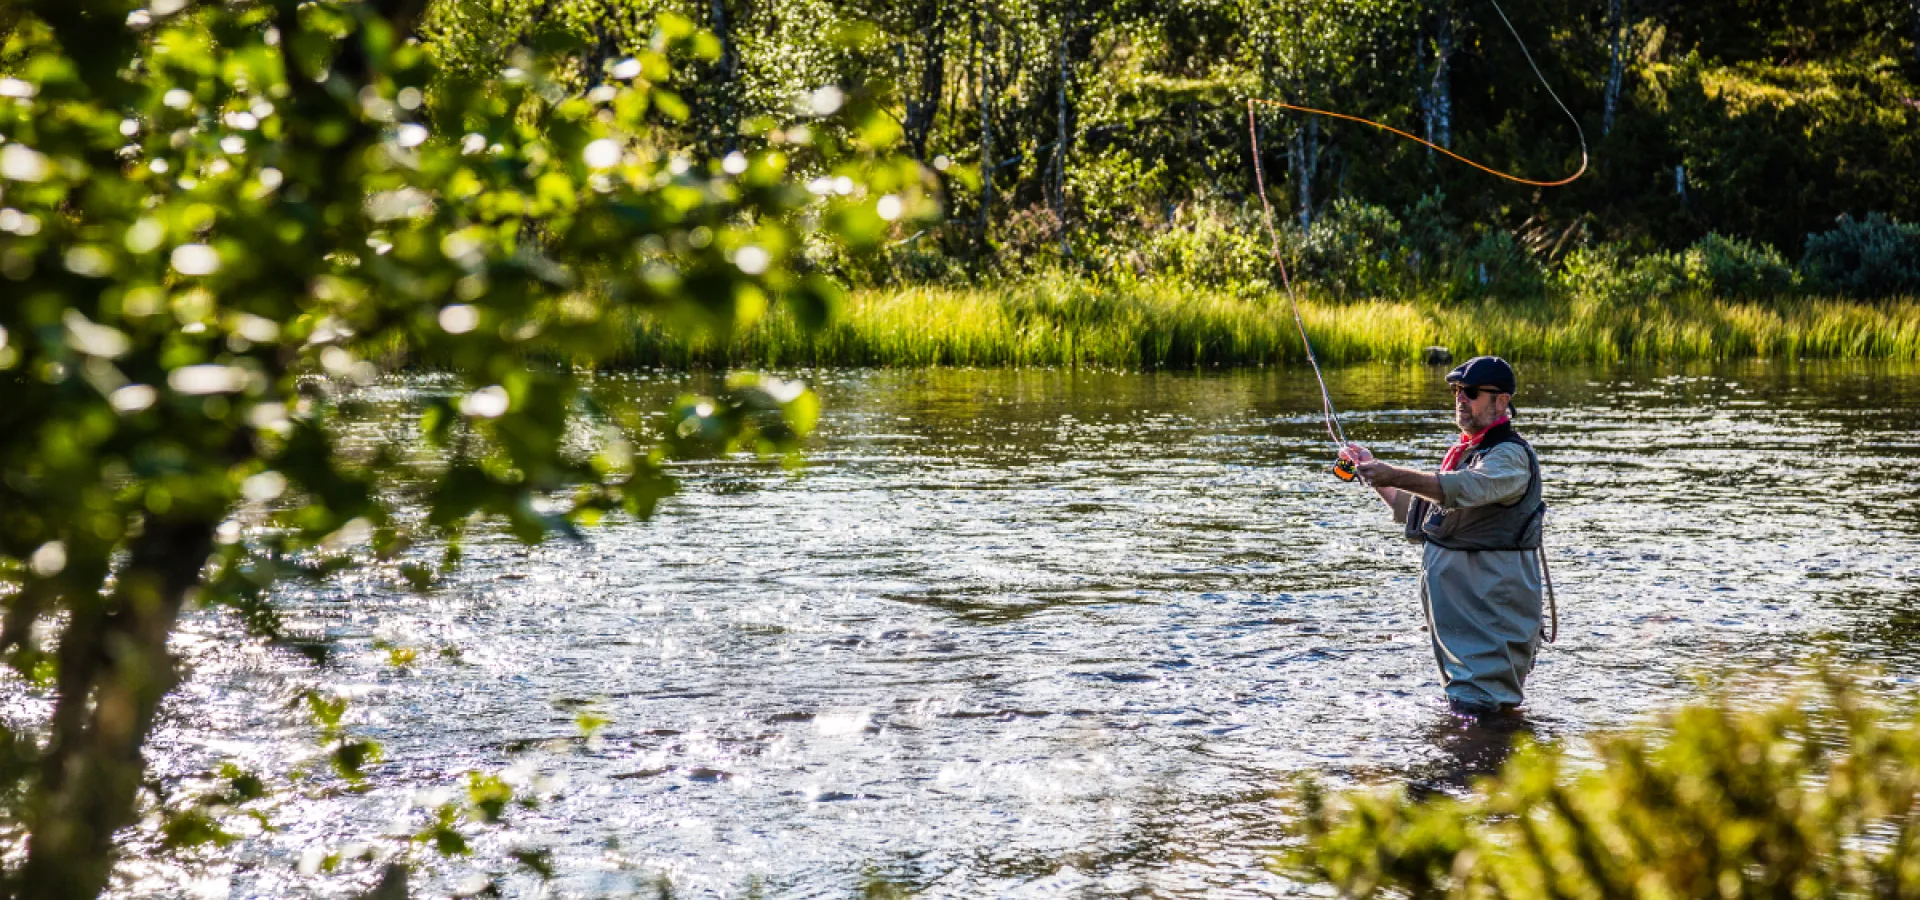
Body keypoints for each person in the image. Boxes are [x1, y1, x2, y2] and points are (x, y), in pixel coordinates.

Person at [1340, 356, 1548, 718]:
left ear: (1501, 400)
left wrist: (1394, 473)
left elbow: (1462, 488)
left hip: (1489, 623)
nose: (1460, 399)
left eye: (1470, 392)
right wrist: (1375, 471)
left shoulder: (1509, 457)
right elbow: (1416, 511)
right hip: (1464, 634)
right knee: (1476, 720)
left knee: (1480, 721)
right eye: (1456, 392)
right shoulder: (1467, 455)